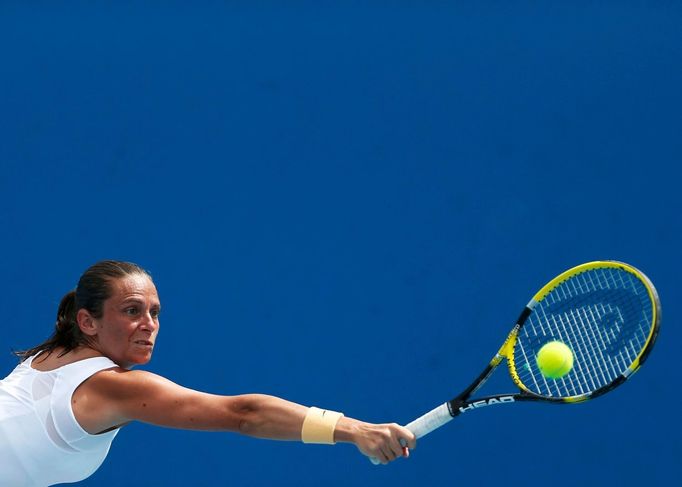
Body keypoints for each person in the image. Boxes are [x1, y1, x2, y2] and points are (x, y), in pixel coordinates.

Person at [0, 260, 415, 486]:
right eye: (131, 311)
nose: (149, 324)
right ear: (87, 321)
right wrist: (355, 429)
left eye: (154, 312)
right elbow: (244, 414)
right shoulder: (111, 388)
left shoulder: (49, 358)